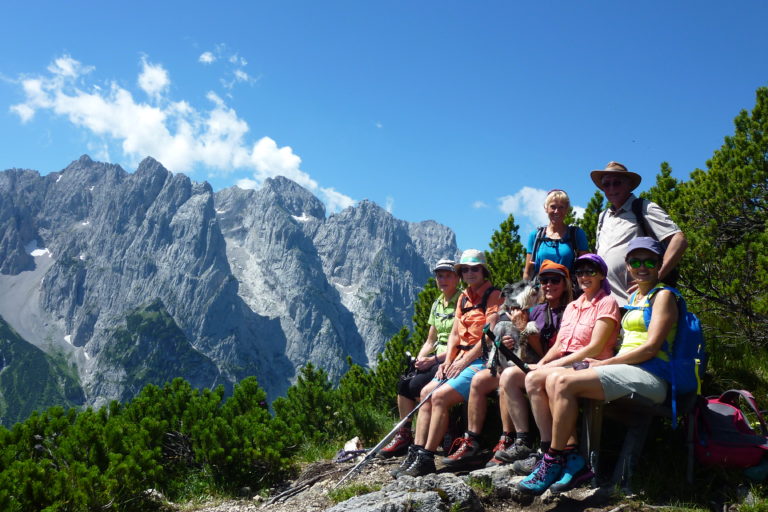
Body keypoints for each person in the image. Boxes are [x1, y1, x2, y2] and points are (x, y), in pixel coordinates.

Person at [516, 237, 679, 495]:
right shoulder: (635, 296)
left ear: (660, 263)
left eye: (649, 260)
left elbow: (650, 348)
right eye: (634, 261)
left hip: (652, 374)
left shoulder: (664, 296)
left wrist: (606, 361)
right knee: (554, 379)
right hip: (627, 370)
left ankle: (554, 459)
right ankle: (566, 457)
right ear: (627, 266)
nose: (642, 266)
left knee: (561, 380)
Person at [442, 260, 573, 469]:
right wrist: (506, 342)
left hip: (548, 364)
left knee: (508, 376)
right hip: (528, 363)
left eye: (554, 280)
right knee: (479, 380)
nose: (547, 285)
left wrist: (523, 333)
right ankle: (476, 440)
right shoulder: (538, 310)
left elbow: (545, 352)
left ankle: (516, 439)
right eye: (543, 281)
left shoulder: (570, 310)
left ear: (565, 284)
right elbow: (521, 339)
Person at [391, 249, 503, 477]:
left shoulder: (493, 295)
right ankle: (417, 451)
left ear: (483, 271)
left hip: (482, 360)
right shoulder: (464, 297)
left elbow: (488, 336)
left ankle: (427, 457)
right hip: (460, 359)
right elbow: (454, 335)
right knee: (425, 393)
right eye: (465, 270)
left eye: (475, 269)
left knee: (439, 396)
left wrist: (461, 362)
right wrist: (448, 361)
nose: (470, 273)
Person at [513, 254, 620, 480]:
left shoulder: (607, 302)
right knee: (533, 377)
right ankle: (549, 447)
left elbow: (595, 347)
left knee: (545, 378)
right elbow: (561, 344)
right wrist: (541, 364)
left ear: (601, 275)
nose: (584, 276)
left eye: (590, 271)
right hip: (568, 362)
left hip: (590, 363)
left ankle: (560, 452)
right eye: (580, 272)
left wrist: (554, 365)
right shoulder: (572, 306)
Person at [379, 259, 462, 457]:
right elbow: (430, 340)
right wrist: (419, 360)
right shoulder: (437, 304)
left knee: (419, 386)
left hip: (451, 357)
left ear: (457, 278)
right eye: (439, 276)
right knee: (404, 384)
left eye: (448, 275)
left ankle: (445, 428)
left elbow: (459, 342)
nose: (443, 279)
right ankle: (405, 433)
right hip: (435, 357)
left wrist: (433, 360)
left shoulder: (461, 301)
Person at [591, 161, 687, 306]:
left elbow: (679, 240)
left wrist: (656, 277)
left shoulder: (644, 207)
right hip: (606, 304)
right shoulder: (603, 216)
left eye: (617, 183)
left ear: (629, 185)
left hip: (638, 303)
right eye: (606, 184)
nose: (611, 188)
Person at [523, 189, 589, 282]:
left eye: (561, 207)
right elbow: (528, 272)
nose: (557, 211)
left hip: (569, 293)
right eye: (553, 207)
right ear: (546, 208)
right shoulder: (536, 235)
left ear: (567, 210)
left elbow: (585, 268)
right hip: (540, 291)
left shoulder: (577, 234)